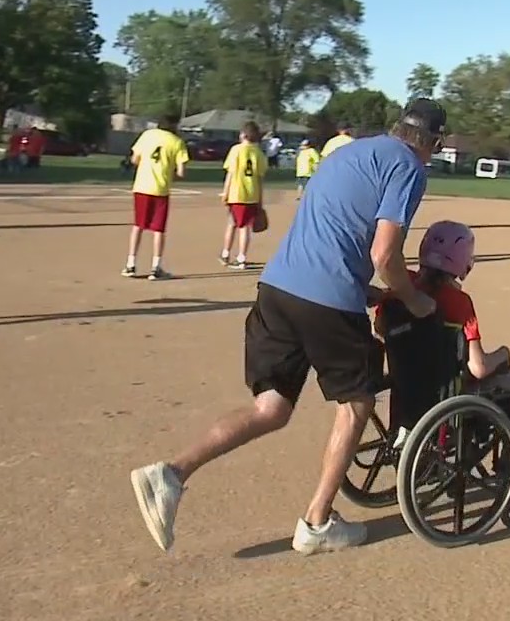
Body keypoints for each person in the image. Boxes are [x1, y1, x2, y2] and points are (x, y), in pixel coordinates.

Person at [129, 98, 446, 556]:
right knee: (356, 403)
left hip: (278, 288)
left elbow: (333, 231)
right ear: (432, 143)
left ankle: (171, 474)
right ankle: (317, 522)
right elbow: (384, 254)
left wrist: (364, 288)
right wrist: (414, 299)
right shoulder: (409, 168)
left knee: (270, 408)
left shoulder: (347, 153)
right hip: (328, 300)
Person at [372, 221, 510, 457]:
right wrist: (503, 354)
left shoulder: (401, 288)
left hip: (405, 382)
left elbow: (380, 327)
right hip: (445, 393)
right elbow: (478, 368)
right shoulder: (459, 302)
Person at [123, 114, 189, 280]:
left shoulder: (147, 135)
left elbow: (134, 159)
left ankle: (131, 265)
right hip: (160, 189)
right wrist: (168, 173)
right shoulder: (177, 142)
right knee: (158, 229)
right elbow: (181, 172)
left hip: (141, 186)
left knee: (138, 226)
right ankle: (156, 267)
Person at [219, 122, 268, 269]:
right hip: (252, 194)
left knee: (234, 225)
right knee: (243, 226)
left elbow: (231, 173)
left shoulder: (236, 150)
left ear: (243, 135)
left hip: (236, 193)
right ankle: (236, 256)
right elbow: (260, 179)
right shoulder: (258, 153)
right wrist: (260, 199)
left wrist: (225, 192)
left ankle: (232, 256)